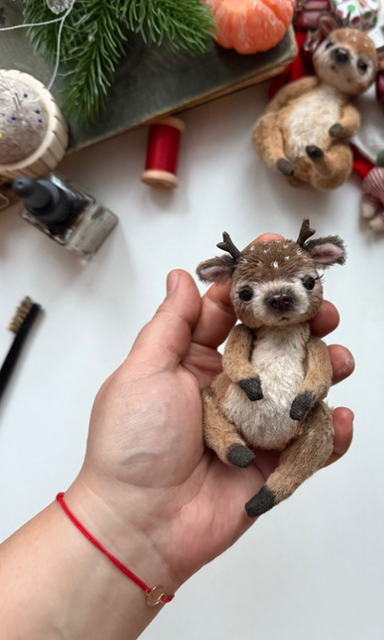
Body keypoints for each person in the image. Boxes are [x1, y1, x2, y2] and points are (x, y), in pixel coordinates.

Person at [0, 234, 354, 640]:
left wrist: (309, 395)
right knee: (208, 399)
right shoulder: (242, 335)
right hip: (241, 408)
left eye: (303, 283)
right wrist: (244, 377)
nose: (279, 299)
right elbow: (234, 362)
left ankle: (279, 485)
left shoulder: (313, 343)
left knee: (323, 428)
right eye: (248, 293)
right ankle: (227, 443)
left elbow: (319, 374)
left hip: (295, 419)